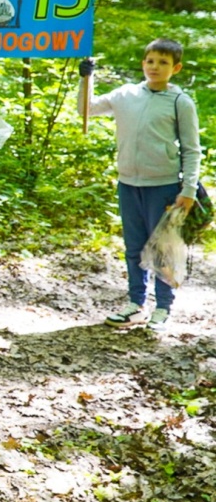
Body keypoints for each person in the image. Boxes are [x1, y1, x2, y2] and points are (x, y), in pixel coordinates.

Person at [78, 38, 201, 330]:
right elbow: (88, 109)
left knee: (162, 248)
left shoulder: (179, 102)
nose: (155, 67)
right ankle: (136, 304)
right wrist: (87, 78)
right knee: (134, 247)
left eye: (163, 62)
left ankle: (163, 307)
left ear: (176, 68)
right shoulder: (126, 94)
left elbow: (192, 149)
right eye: (150, 61)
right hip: (128, 183)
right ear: (143, 63)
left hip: (163, 185)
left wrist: (189, 190)